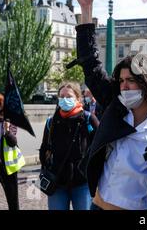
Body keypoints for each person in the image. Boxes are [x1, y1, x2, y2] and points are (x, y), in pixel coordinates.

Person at [74, 0, 147, 210]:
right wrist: (86, 10)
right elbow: (91, 63)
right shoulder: (115, 106)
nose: (125, 87)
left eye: (131, 80)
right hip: (97, 204)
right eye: (121, 81)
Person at [39, 82, 99, 210]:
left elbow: (101, 149)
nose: (65, 99)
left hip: (82, 184)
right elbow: (44, 149)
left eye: (69, 96)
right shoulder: (52, 121)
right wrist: (47, 168)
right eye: (62, 96)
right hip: (57, 183)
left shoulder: (89, 119)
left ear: (78, 99)